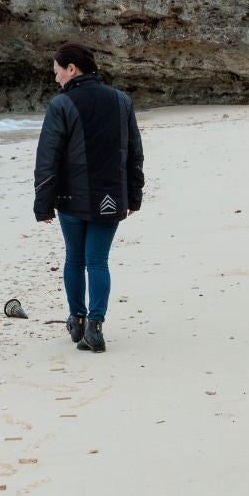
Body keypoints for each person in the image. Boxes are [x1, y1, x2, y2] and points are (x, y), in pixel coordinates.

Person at [32, 42, 144, 353]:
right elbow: (135, 153)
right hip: (112, 197)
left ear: (72, 69)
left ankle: (76, 320)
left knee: (75, 258)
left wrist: (42, 203)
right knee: (98, 261)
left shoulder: (62, 105)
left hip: (72, 198)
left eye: (57, 72)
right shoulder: (122, 101)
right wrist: (134, 196)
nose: (56, 79)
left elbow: (48, 158)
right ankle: (95, 326)